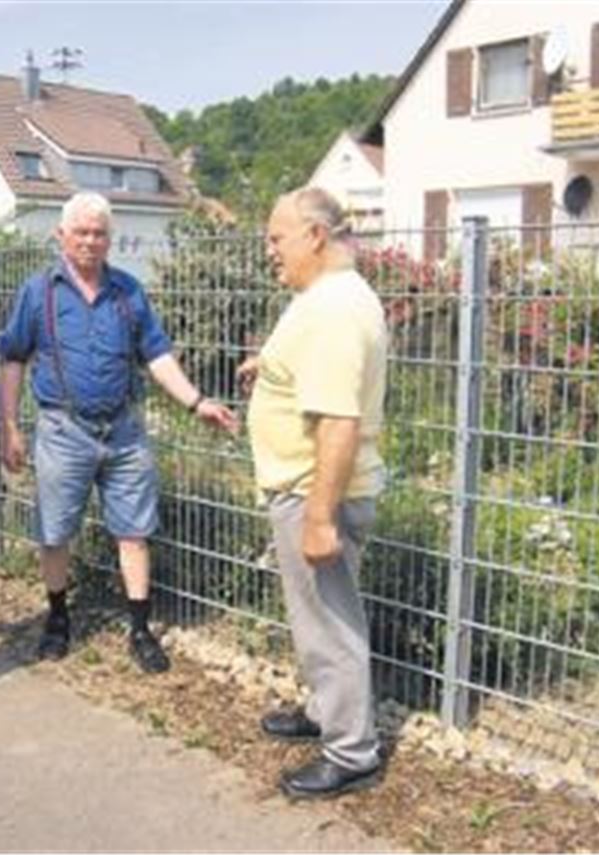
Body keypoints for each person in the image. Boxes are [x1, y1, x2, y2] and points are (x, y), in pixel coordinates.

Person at [0, 191, 237, 674]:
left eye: (99, 233)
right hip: (63, 429)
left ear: (110, 239)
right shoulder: (38, 291)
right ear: (61, 236)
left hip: (124, 430)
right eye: (81, 232)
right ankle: (58, 618)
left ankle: (140, 629)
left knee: (134, 531)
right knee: (55, 531)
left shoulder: (129, 292)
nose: (90, 241)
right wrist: (9, 427)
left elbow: (157, 356)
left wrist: (196, 401)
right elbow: (13, 359)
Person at [238, 186, 388, 799]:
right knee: (316, 616)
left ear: (315, 237)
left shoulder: (332, 309)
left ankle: (352, 751)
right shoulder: (326, 299)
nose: (270, 250)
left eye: (277, 238)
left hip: (314, 491)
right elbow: (314, 375)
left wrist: (319, 517)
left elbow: (338, 420)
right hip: (305, 487)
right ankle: (328, 713)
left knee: (329, 620)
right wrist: (268, 369)